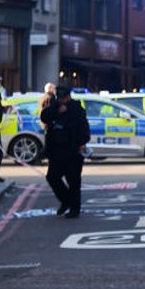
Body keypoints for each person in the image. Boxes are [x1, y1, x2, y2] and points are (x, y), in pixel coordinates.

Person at [40, 83, 89, 218]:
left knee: (73, 181)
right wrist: (56, 110)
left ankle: (74, 209)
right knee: (52, 177)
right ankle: (66, 200)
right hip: (56, 150)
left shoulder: (76, 109)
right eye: (58, 97)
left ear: (68, 97)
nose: (60, 100)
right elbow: (44, 117)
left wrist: (82, 143)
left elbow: (84, 127)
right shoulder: (54, 106)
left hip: (72, 150)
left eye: (62, 98)